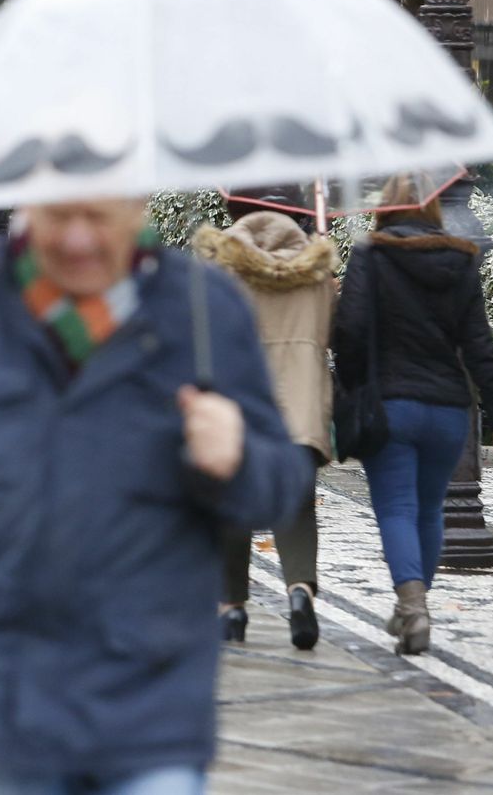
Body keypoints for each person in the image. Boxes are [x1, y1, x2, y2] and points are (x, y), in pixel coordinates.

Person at [0, 197, 313, 795]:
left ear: (137, 204)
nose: (78, 239)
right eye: (59, 214)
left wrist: (238, 459)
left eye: (99, 216)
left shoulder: (205, 309)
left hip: (152, 695)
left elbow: (279, 489)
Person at [331, 174, 493, 656]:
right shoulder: (460, 258)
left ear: (386, 206)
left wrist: (353, 385)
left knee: (397, 509)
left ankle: (413, 607)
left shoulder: (371, 254)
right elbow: (478, 342)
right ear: (434, 206)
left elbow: (350, 331)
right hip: (448, 410)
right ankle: (414, 606)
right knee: (430, 510)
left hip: (391, 406)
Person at [192, 192, 334, 650]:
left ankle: (232, 607)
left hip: (240, 405)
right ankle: (300, 590)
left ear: (235, 210)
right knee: (297, 504)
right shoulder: (317, 269)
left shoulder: (217, 268)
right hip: (301, 403)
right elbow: (331, 334)